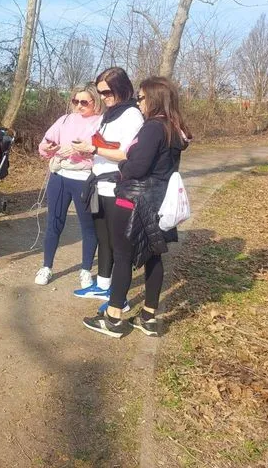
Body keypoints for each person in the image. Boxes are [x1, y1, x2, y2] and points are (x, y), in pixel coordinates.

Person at [82, 77, 191, 337]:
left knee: (123, 257)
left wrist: (122, 166)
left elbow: (136, 166)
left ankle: (114, 317)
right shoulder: (174, 127)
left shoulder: (153, 127)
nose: (138, 102)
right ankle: (148, 317)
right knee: (153, 256)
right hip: (158, 202)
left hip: (132, 199)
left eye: (141, 98)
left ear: (154, 98)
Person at [71, 67, 143, 306]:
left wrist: (94, 149)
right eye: (101, 92)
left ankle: (118, 297)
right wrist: (85, 146)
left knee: (117, 243)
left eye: (107, 91)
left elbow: (125, 153)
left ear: (122, 87)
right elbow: (100, 142)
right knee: (103, 238)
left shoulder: (132, 115)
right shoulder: (109, 115)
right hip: (98, 183)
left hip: (116, 185)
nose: (104, 97)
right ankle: (103, 285)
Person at [34, 83, 104, 286]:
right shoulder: (64, 120)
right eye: (75, 101)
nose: (78, 106)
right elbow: (44, 145)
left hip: (85, 180)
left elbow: (100, 153)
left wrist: (79, 152)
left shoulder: (101, 123)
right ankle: (46, 266)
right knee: (54, 223)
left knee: (88, 227)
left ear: (95, 103)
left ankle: (85, 269)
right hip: (59, 177)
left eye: (84, 102)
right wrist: (48, 148)